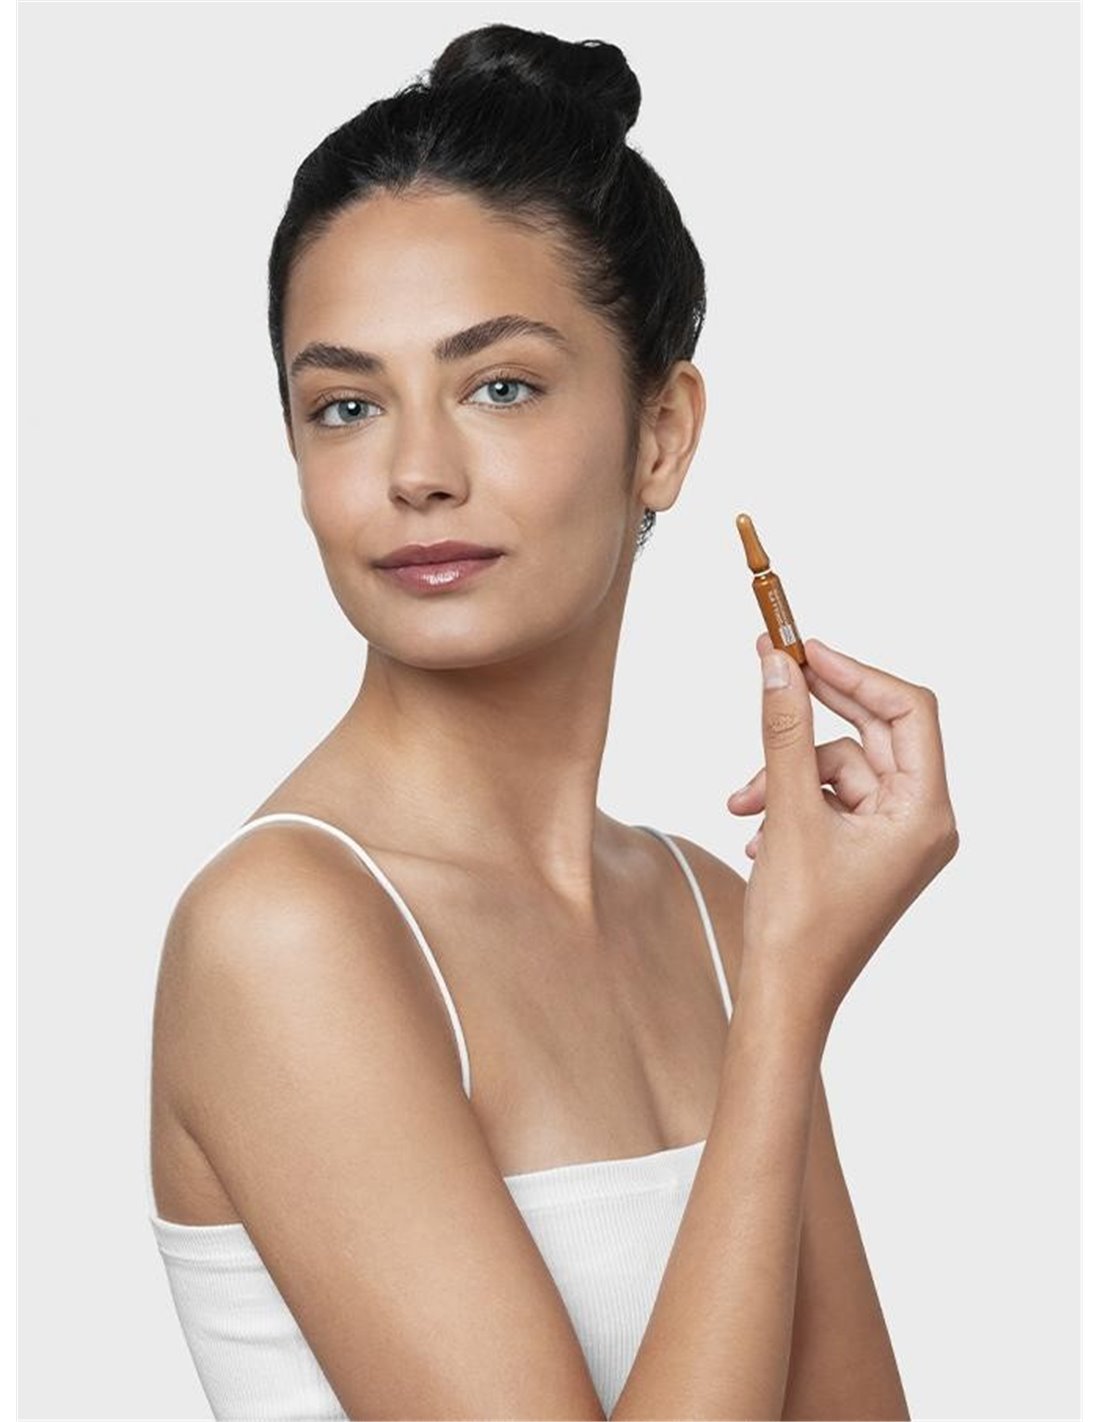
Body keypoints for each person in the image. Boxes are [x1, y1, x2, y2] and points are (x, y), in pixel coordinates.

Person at [147, 22, 958, 1421]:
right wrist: (783, 1013)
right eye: (345, 405)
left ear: (663, 433)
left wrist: (773, 974)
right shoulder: (284, 931)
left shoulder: (715, 912)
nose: (415, 470)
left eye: (500, 386)